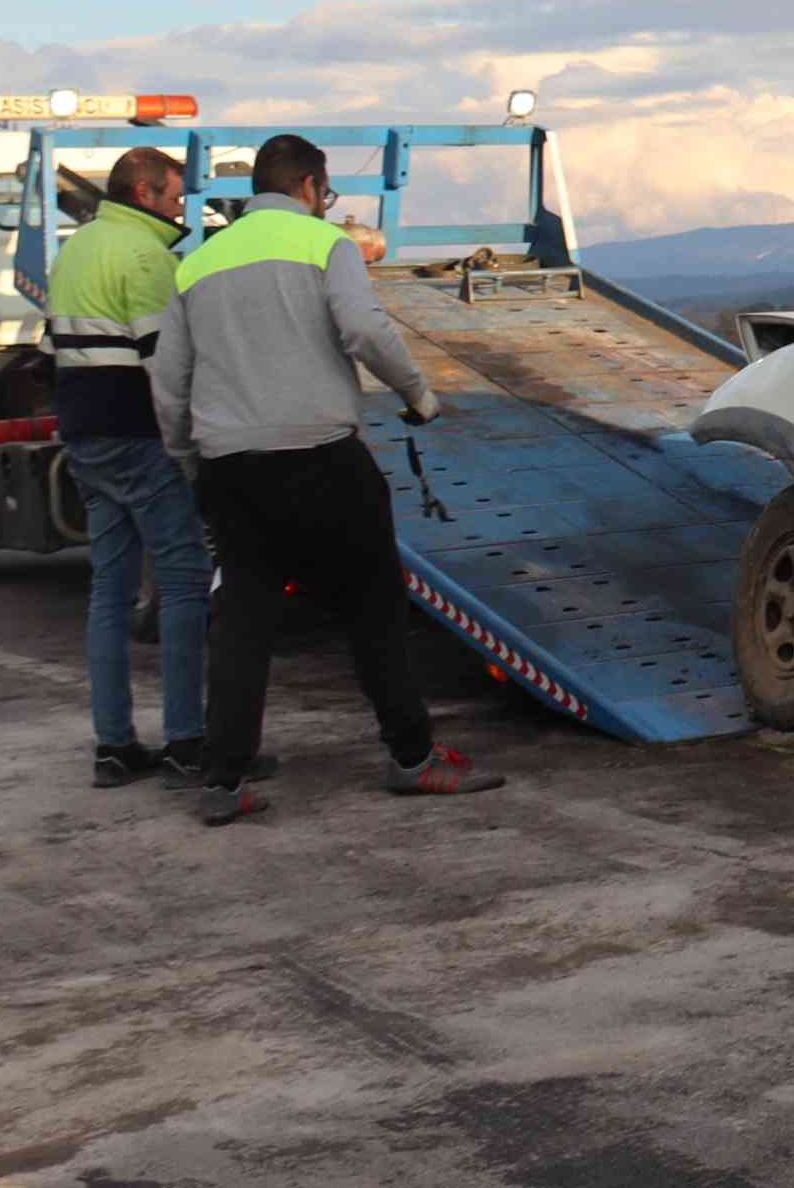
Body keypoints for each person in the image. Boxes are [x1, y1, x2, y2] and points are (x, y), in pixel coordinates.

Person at [151, 133, 506, 828]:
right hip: (321, 459)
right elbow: (365, 330)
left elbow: (170, 384)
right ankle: (411, 757)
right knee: (374, 607)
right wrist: (419, 395)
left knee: (244, 620)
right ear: (311, 187)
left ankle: (223, 779)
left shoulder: (196, 263)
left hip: (233, 468)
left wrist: (191, 460)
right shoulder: (324, 245)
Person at [46, 146, 214, 786]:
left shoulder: (78, 248)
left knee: (109, 594)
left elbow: (52, 345)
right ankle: (187, 742)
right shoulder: (146, 257)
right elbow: (163, 367)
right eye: (174, 197)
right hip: (138, 435)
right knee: (184, 581)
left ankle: (114, 748)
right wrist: (186, 449)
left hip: (84, 433)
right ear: (143, 194)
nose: (180, 208)